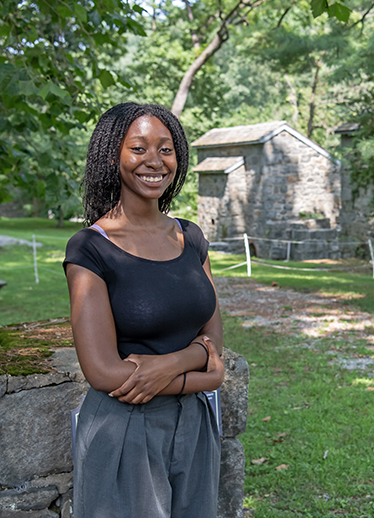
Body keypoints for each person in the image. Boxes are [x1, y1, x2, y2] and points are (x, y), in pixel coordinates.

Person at [63, 102, 225, 518]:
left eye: (166, 149)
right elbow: (103, 373)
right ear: (112, 156)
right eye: (138, 148)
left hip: (197, 425)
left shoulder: (191, 238)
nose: (154, 161)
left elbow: (215, 356)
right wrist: (198, 363)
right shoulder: (90, 248)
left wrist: (165, 365)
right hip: (124, 429)